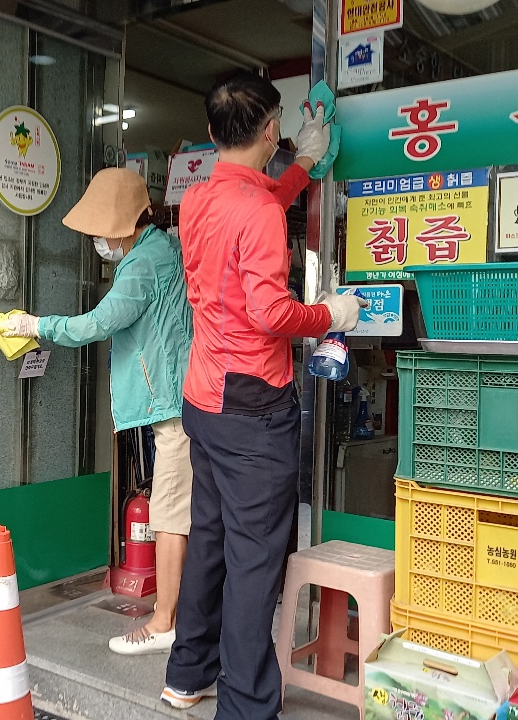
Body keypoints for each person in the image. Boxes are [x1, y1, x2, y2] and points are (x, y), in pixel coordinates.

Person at [161, 71, 364, 718]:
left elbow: (262, 199)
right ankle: (246, 707)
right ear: (269, 128)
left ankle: (186, 673)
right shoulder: (256, 212)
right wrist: (331, 314)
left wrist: (303, 163)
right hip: (253, 404)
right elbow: (273, 312)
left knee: (212, 538)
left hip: (204, 396)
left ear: (214, 132)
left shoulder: (197, 198)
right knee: (254, 562)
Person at [0, 168, 194, 655]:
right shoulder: (156, 251)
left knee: (170, 514)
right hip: (173, 400)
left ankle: (166, 620)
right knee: (182, 511)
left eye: (102, 232)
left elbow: (99, 323)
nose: (99, 242)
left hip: (172, 406)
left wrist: (37, 325)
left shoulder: (147, 261)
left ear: (126, 224)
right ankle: (179, 612)